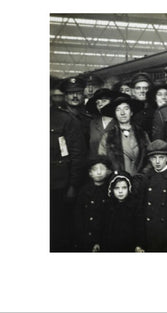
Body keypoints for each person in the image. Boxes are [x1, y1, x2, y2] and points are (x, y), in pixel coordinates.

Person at [136, 140, 167, 252]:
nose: (157, 161)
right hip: (150, 231)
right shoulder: (146, 177)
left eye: (161, 157)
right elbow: (141, 208)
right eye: (154, 158)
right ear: (150, 159)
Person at [50, 93, 87, 251]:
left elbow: (77, 154)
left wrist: (73, 185)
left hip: (59, 186)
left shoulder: (65, 119)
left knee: (59, 230)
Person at [98, 95, 150, 176]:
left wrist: (142, 175)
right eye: (118, 110)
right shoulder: (108, 137)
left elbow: (150, 157)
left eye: (126, 109)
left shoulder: (142, 134)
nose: (122, 113)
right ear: (115, 114)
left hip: (140, 181)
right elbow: (102, 161)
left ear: (131, 112)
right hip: (118, 183)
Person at [73, 156, 112, 252]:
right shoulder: (84, 191)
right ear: (90, 173)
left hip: (104, 235)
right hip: (87, 234)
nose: (99, 172)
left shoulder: (110, 190)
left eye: (102, 169)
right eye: (95, 170)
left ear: (107, 171)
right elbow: (79, 215)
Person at [100, 171, 143, 252]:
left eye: (124, 187)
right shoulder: (108, 206)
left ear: (129, 188)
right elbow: (103, 228)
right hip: (111, 246)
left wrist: (138, 245)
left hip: (129, 246)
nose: (120, 191)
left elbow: (139, 227)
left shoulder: (134, 206)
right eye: (117, 188)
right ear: (111, 189)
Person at [59, 76, 92, 146]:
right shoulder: (59, 117)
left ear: (83, 95)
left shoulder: (89, 116)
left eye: (78, 93)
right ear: (65, 96)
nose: (75, 96)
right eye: (71, 93)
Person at [85, 88, 117, 156]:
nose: (100, 104)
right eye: (97, 102)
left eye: (104, 101)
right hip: (96, 164)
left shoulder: (119, 122)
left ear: (112, 102)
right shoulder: (92, 123)